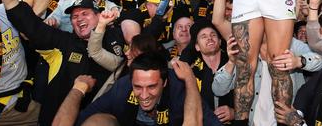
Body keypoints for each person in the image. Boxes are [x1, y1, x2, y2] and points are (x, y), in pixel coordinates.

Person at [0, 0, 124, 125]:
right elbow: (33, 27)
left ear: (98, 16)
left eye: (85, 14)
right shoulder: (63, 42)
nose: (79, 19)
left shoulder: (117, 38)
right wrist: (10, 1)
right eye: (75, 17)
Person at [75, 52, 221, 125]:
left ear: (164, 83)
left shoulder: (179, 88)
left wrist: (190, 79)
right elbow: (81, 119)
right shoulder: (123, 87)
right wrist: (77, 89)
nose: (144, 95)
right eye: (138, 87)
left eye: (151, 86)